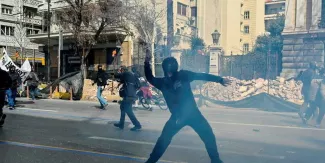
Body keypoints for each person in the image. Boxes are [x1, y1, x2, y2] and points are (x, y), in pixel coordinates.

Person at [144, 50, 230, 163]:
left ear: (164, 69)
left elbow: (150, 77)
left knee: (164, 140)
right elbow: (201, 76)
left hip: (178, 117)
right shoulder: (183, 75)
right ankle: (216, 160)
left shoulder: (164, 82)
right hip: (191, 114)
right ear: (176, 67)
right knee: (208, 135)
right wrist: (220, 79)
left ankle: (150, 161)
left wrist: (147, 62)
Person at [114, 66, 142, 131]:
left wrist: (117, 71)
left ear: (122, 70)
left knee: (129, 111)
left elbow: (116, 75)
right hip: (131, 94)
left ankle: (137, 125)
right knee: (122, 107)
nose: (120, 71)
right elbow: (139, 85)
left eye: (121, 70)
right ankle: (121, 123)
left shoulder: (126, 73)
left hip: (128, 95)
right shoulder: (132, 75)